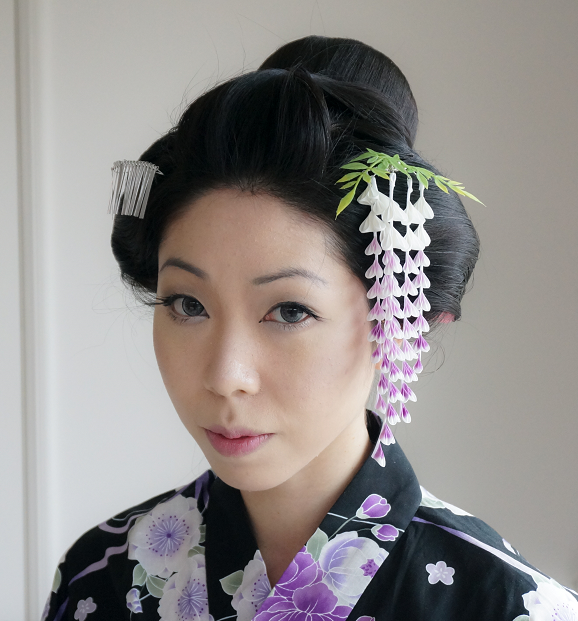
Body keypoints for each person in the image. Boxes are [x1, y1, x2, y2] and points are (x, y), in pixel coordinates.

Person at [43, 36, 577, 621]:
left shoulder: (508, 606)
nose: (226, 376)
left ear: (395, 320)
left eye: (290, 311)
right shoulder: (103, 579)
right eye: (188, 304)